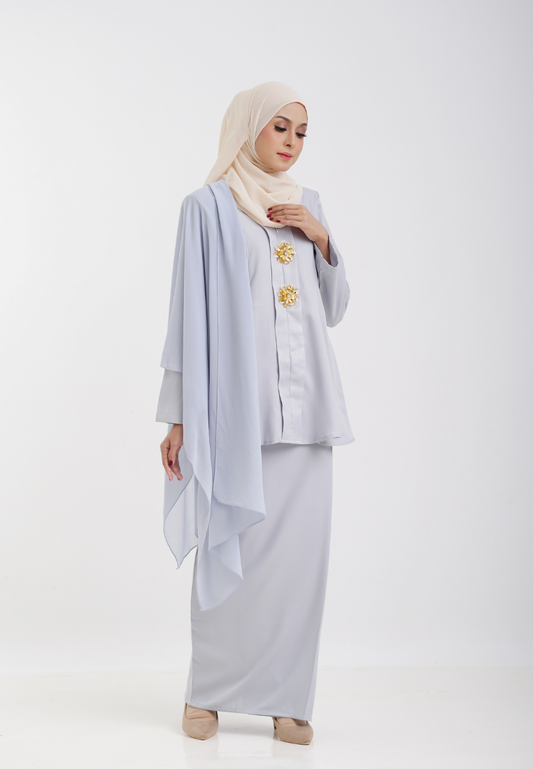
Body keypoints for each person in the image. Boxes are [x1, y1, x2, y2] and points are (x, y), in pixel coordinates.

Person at [156, 81, 354, 745]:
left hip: (308, 412)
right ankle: (208, 692)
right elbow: (185, 316)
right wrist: (178, 416)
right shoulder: (207, 208)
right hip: (234, 413)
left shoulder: (308, 204)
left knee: (299, 564)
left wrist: (321, 239)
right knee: (228, 543)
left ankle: (288, 700)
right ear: (248, 128)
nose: (292, 143)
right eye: (280, 127)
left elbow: (333, 308)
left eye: (301, 132)